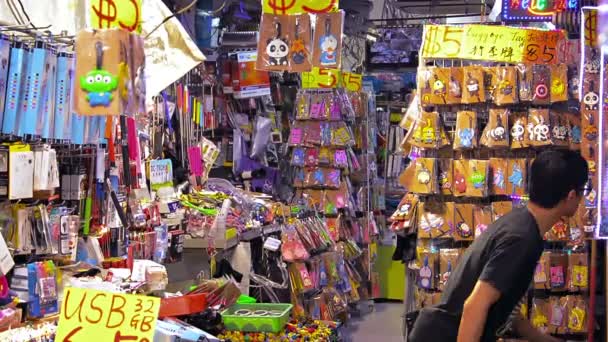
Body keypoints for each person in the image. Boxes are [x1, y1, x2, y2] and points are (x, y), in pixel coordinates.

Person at [408, 150, 589, 342]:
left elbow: (510, 313)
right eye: (582, 191)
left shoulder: (522, 225)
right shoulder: (521, 239)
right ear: (571, 195)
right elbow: (475, 306)